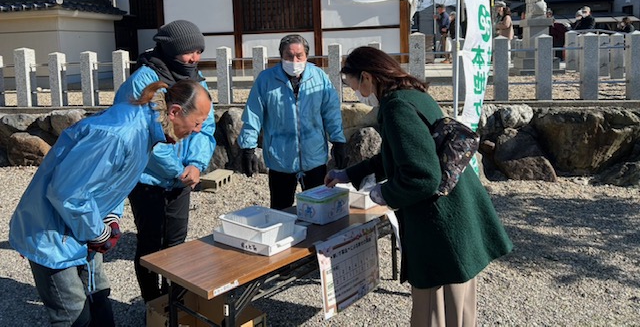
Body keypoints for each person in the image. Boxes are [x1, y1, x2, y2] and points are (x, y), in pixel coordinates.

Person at [325, 46, 512, 327]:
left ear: (366, 77)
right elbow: (398, 154)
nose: (354, 92)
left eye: (352, 84)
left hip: (439, 220)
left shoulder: (396, 108)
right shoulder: (413, 94)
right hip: (456, 208)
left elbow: (422, 177)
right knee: (459, 302)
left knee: (438, 307)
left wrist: (381, 194)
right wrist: (348, 174)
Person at [9, 80, 212, 327]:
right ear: (175, 112)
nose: (198, 130)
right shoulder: (120, 134)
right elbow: (67, 193)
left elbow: (111, 182)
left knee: (98, 295)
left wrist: (111, 216)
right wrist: (98, 232)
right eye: (197, 122)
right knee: (74, 314)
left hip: (83, 224)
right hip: (52, 231)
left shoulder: (145, 127)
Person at [113, 20, 216, 303]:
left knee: (177, 243)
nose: (195, 58)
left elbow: (204, 125)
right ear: (170, 49)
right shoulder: (143, 82)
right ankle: (153, 305)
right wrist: (178, 169)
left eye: (199, 52)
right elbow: (145, 136)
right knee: (150, 244)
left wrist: (195, 164)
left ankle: (175, 303)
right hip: (148, 178)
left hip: (182, 178)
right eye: (189, 52)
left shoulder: (197, 80)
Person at [238, 34, 347, 210]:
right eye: (289, 56)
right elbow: (253, 114)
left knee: (319, 210)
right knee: (281, 211)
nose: (294, 61)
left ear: (306, 56)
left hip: (314, 158)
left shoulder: (319, 77)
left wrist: (338, 141)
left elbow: (331, 111)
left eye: (299, 56)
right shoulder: (266, 80)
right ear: (281, 56)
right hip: (280, 158)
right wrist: (248, 147)